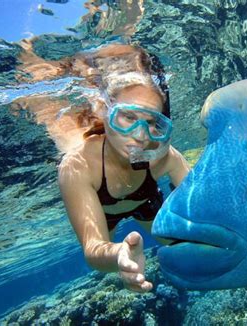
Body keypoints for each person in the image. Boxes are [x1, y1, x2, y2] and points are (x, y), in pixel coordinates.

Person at [58, 44, 190, 293]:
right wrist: (120, 254)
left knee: (178, 244)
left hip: (144, 201)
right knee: (105, 264)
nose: (140, 136)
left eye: (152, 122)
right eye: (128, 117)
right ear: (102, 109)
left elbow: (203, 201)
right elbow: (94, 249)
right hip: (106, 212)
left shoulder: (162, 157)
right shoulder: (79, 166)